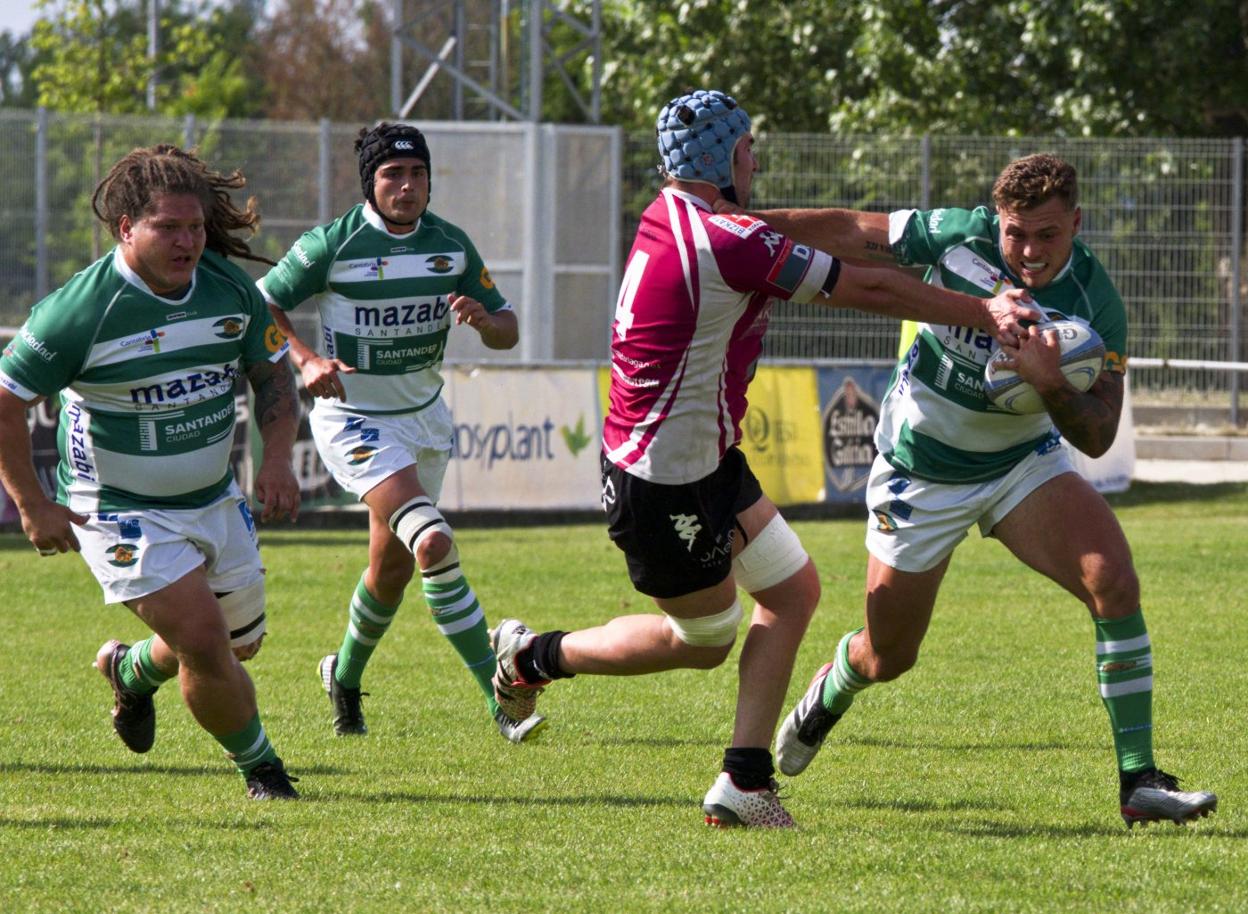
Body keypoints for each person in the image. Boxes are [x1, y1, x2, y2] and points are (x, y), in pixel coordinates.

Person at [488, 89, 1040, 828]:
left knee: (793, 591)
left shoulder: (673, 215)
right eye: (749, 149)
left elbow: (835, 239)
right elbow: (867, 287)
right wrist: (986, 310)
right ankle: (533, 658)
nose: (756, 160)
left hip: (705, 463)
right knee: (705, 639)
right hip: (660, 482)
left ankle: (744, 781)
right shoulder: (726, 244)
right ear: (724, 158)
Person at [763, 153, 1218, 828]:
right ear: (994, 220)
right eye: (1016, 233)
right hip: (923, 470)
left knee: (1113, 581)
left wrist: (1052, 382)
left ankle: (1139, 781)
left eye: (1048, 235)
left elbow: (1096, 436)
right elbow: (849, 230)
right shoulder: (956, 234)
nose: (1029, 252)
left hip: (1020, 465)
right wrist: (734, 223)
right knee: (891, 654)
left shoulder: (1098, 305)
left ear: (1077, 224)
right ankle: (835, 687)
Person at [0, 145, 302, 800]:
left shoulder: (228, 290)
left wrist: (277, 458)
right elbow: (4, 405)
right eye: (168, 227)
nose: (188, 241)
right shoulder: (78, 312)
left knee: (235, 646)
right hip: (115, 508)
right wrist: (30, 504)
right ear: (125, 228)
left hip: (214, 500)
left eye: (194, 227)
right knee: (201, 638)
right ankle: (264, 771)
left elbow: (272, 373)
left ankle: (131, 672)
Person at [258, 122, 542, 744]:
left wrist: (482, 320)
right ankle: (499, 701)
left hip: (424, 419)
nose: (407, 186)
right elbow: (265, 307)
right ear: (371, 183)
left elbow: (509, 327)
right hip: (353, 418)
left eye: (416, 174)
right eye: (393, 174)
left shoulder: (452, 245)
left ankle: (345, 677)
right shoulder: (332, 244)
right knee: (433, 543)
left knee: (390, 573)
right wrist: (306, 360)